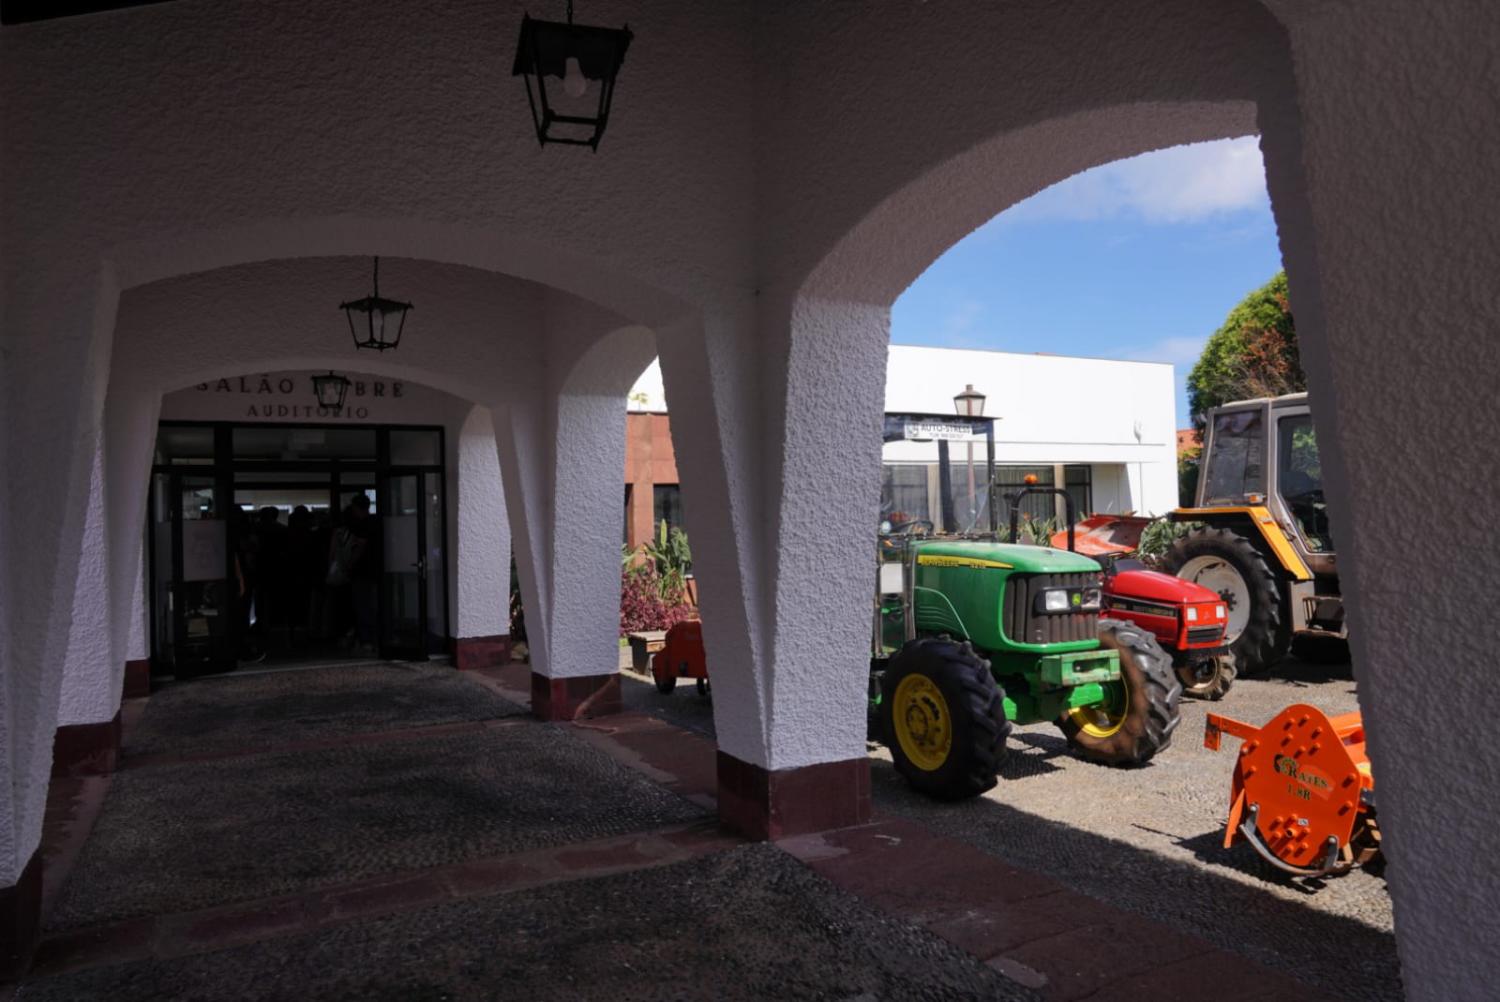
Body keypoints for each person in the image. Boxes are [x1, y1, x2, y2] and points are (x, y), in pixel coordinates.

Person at [330, 493, 380, 657]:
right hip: (374, 570)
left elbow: (359, 548)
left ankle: (366, 641)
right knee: (370, 606)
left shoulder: (361, 526)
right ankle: (371, 639)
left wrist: (348, 564)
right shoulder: (375, 522)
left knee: (362, 606)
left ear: (357, 509)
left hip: (362, 572)